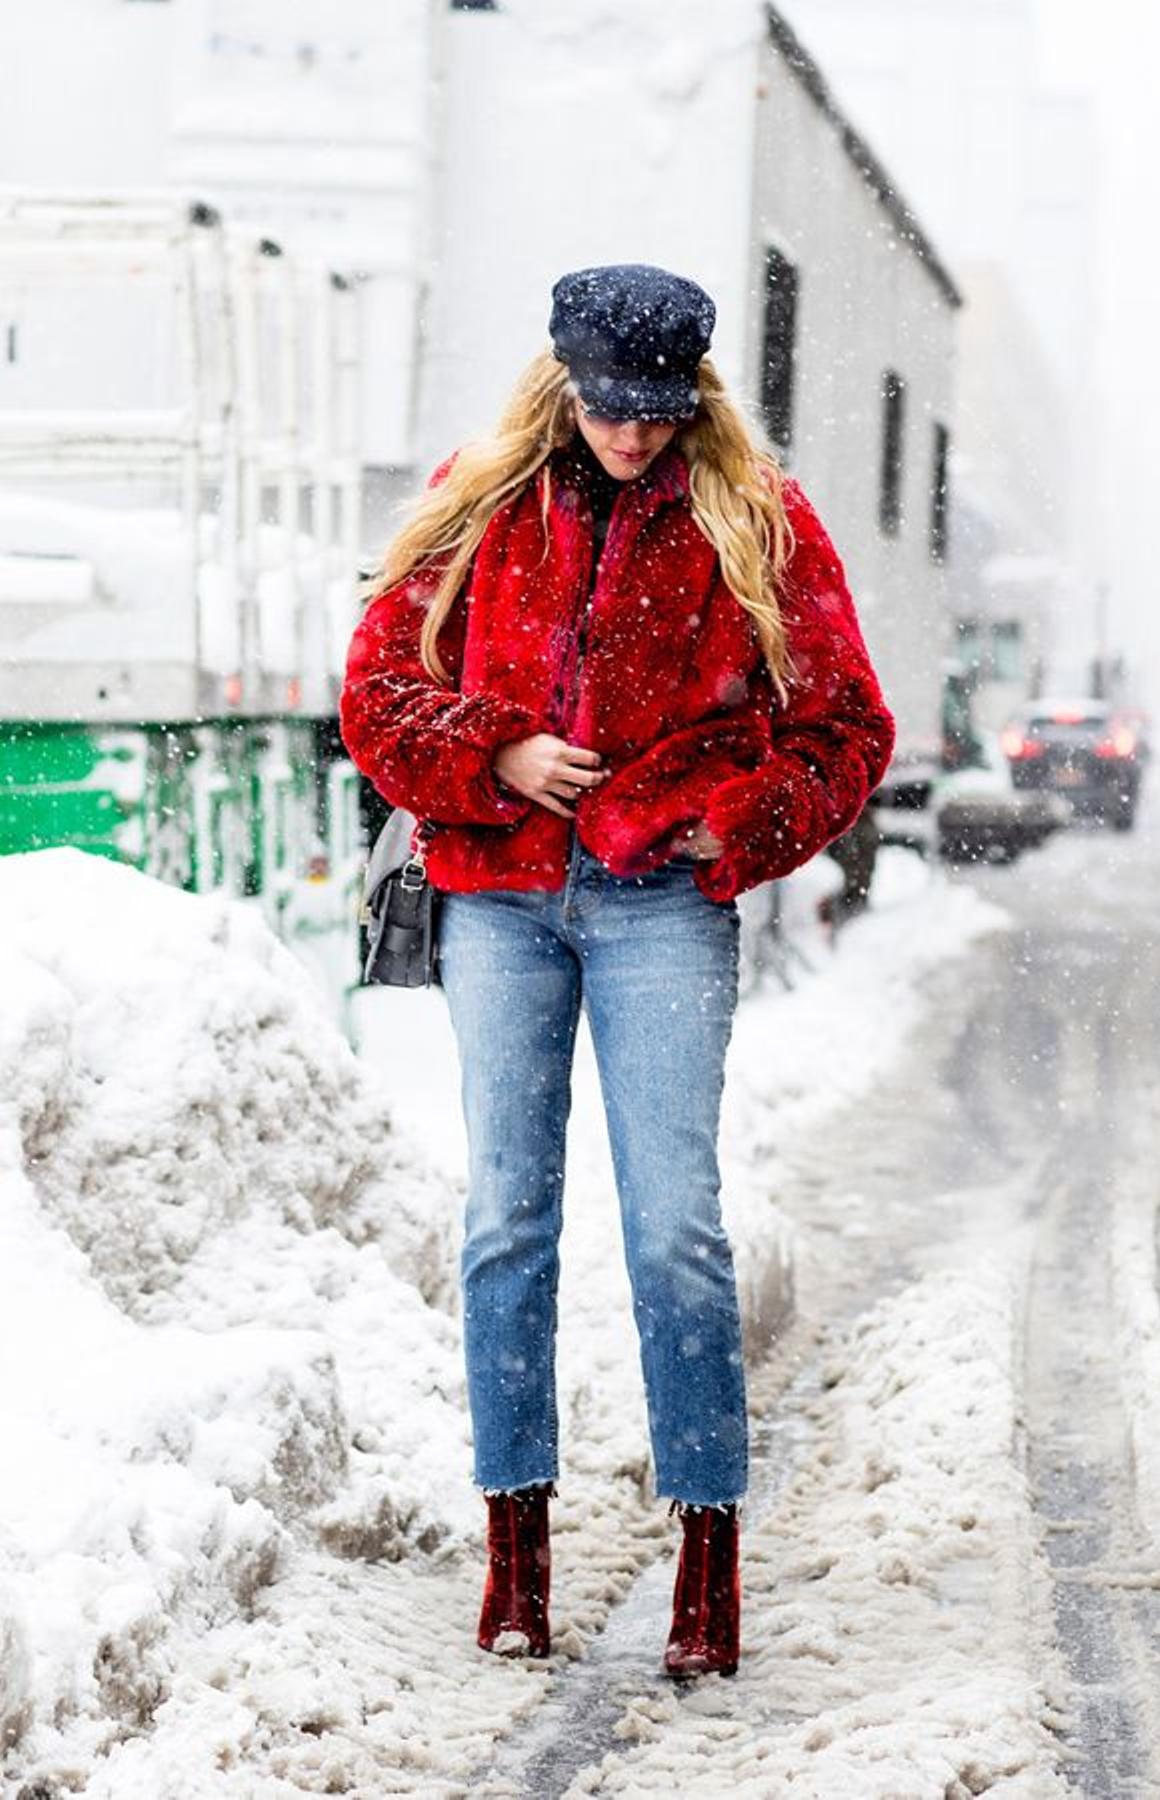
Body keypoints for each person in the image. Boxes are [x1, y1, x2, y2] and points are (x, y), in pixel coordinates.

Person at [340, 264, 894, 1678]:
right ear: (566, 382)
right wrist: (495, 751)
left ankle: (708, 1560)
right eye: (607, 407)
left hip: (662, 905)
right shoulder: (481, 499)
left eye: (654, 412)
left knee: (675, 1235)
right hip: (502, 898)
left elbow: (847, 726)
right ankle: (514, 1561)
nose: (631, 437)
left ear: (689, 396)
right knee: (507, 1223)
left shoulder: (757, 521)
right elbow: (375, 695)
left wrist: (743, 817)